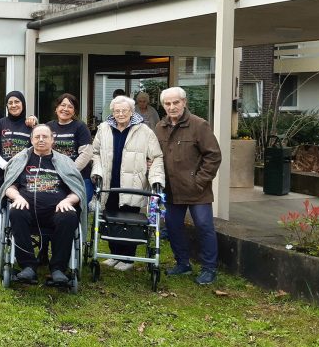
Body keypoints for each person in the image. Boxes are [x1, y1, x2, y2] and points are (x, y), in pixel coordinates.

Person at [0, 125, 86, 284]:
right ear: (31, 139)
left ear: (53, 140)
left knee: (69, 217)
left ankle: (58, 268)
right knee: (15, 212)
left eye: (45, 137)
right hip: (27, 210)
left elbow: (77, 190)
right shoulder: (21, 159)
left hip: (56, 211)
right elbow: (9, 186)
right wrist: (17, 197)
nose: (41, 140)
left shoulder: (65, 162)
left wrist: (68, 200)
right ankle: (28, 267)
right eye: (37, 136)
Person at [155, 86, 222, 285]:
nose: (172, 107)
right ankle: (182, 263)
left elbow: (213, 156)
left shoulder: (199, 125)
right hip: (171, 189)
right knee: (173, 227)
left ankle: (209, 268)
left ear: (184, 102)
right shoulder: (160, 127)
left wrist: (199, 181)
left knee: (204, 226)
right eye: (167, 104)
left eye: (176, 102)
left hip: (196, 190)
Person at [91, 95, 164, 271]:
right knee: (110, 219)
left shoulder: (144, 131)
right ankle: (114, 254)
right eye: (117, 111)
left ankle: (128, 258)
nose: (121, 113)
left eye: (125, 110)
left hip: (133, 184)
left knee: (129, 221)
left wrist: (156, 180)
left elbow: (156, 157)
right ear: (112, 112)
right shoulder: (104, 128)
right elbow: (96, 153)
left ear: (132, 111)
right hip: (110, 182)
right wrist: (97, 172)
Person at [0, 91, 33, 263]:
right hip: (1, 176)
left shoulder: (30, 125)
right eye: (10, 102)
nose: (14, 105)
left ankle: (19, 250)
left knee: (20, 212)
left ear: (23, 104)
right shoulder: (0, 123)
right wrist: (5, 165)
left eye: (17, 101)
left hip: (25, 178)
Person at [45, 93, 94, 202]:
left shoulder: (80, 127)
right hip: (54, 177)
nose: (66, 109)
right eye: (63, 105)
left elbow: (86, 154)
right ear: (56, 108)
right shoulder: (48, 126)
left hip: (79, 177)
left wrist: (69, 171)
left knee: (78, 210)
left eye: (70, 107)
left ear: (74, 111)